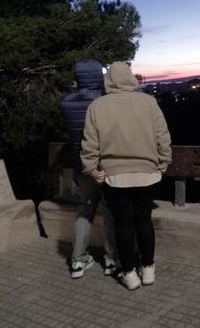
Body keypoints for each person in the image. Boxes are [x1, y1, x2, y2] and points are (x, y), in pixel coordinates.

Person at [80, 61, 172, 290]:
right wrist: (163, 163)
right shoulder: (149, 102)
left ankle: (130, 274)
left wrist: (92, 170)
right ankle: (148, 269)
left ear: (108, 80)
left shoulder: (97, 106)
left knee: (123, 224)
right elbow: (163, 136)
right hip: (148, 174)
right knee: (143, 220)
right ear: (130, 77)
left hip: (114, 177)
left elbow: (89, 144)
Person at [59, 58, 119, 279]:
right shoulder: (107, 101)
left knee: (85, 209)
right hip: (106, 164)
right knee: (110, 211)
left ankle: (77, 260)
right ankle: (112, 259)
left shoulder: (65, 102)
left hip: (81, 165)